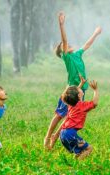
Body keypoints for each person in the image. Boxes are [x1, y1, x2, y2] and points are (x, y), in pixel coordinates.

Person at [44, 11, 102, 149]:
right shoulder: (67, 57)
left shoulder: (77, 54)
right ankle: (48, 136)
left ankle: (56, 137)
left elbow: (87, 44)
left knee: (70, 115)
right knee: (59, 115)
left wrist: (95, 33)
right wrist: (61, 24)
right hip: (71, 91)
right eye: (66, 46)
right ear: (62, 51)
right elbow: (64, 40)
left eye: (68, 45)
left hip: (81, 90)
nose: (69, 45)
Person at [50, 80, 99, 160]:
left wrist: (81, 84)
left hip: (63, 134)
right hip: (70, 134)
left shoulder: (71, 104)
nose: (80, 89)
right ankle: (76, 165)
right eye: (80, 90)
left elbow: (72, 94)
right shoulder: (82, 106)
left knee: (80, 152)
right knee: (89, 149)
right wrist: (95, 90)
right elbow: (95, 103)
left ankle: (75, 162)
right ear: (79, 95)